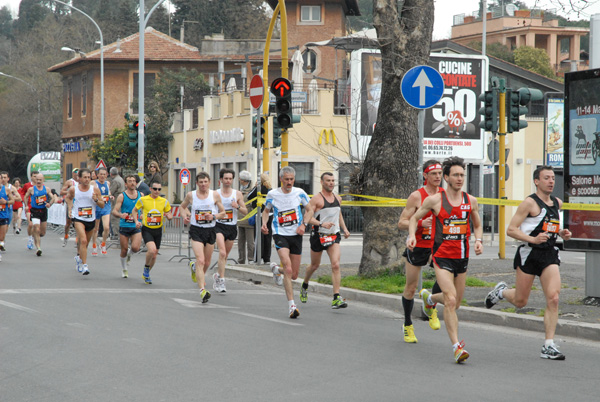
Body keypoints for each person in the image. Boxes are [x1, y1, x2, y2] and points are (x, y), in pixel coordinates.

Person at [485, 165, 571, 360]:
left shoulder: (557, 203)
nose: (551, 181)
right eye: (546, 178)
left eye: (552, 178)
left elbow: (550, 226)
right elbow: (511, 230)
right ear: (536, 181)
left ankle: (548, 345)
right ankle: (501, 292)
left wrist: (562, 233)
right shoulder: (529, 203)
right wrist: (533, 240)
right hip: (529, 253)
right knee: (520, 301)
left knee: (554, 298)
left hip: (549, 254)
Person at [407, 156, 483, 363]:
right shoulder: (435, 201)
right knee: (450, 299)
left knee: (456, 303)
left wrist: (479, 240)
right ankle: (457, 347)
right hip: (442, 257)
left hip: (462, 257)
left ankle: (430, 299)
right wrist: (412, 235)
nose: (460, 179)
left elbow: (477, 224)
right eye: (456, 175)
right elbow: (413, 218)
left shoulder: (471, 201)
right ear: (447, 178)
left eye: (462, 175)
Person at [397, 160, 444, 343]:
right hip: (418, 245)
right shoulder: (417, 196)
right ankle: (408, 325)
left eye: (440, 173)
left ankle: (429, 301)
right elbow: (401, 222)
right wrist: (418, 224)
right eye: (434, 174)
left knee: (446, 279)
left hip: (438, 245)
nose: (438, 177)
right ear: (425, 175)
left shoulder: (445, 195)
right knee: (410, 287)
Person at [261, 166, 314, 319]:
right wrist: (264, 224)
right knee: (288, 268)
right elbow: (266, 211)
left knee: (294, 275)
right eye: (286, 179)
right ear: (281, 179)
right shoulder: (272, 194)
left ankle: (277, 270)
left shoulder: (300, 193)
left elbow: (309, 210)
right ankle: (292, 306)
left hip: (296, 234)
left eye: (291, 179)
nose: (289, 182)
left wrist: (304, 224)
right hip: (280, 234)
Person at [299, 172, 351, 309]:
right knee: (314, 266)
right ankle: (305, 284)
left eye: (333, 180)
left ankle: (336, 298)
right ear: (322, 182)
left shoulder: (338, 198)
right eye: (328, 180)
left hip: (334, 235)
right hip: (319, 235)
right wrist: (321, 224)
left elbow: (337, 213)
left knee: (335, 265)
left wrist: (344, 228)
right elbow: (307, 218)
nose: (331, 183)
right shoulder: (316, 199)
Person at [180, 172, 225, 302]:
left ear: (209, 182)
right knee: (200, 260)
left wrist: (214, 216)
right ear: (197, 183)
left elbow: (223, 213)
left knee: (206, 262)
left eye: (205, 182)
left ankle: (195, 269)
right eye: (201, 182)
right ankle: (202, 291)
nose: (203, 184)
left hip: (210, 230)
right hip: (196, 230)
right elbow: (182, 207)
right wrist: (185, 216)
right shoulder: (191, 195)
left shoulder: (215, 195)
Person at [211, 168, 248, 292]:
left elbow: (245, 211)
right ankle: (221, 281)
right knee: (222, 253)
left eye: (230, 179)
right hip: (218, 225)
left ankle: (217, 275)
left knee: (225, 255)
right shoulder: (215, 193)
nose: (228, 181)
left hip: (231, 226)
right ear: (221, 180)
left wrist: (237, 206)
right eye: (225, 178)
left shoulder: (237, 194)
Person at [65, 168, 105, 275]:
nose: (87, 179)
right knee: (82, 240)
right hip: (78, 218)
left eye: (89, 177)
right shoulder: (74, 189)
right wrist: (70, 208)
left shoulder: (95, 189)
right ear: (79, 178)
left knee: (86, 243)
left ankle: (79, 256)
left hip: (91, 219)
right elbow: (68, 198)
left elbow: (102, 204)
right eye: (85, 177)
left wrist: (96, 200)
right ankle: (85, 265)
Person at [132, 181, 173, 284]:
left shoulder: (164, 201)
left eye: (159, 189)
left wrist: (169, 216)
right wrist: (137, 221)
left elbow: (169, 213)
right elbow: (134, 210)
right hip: (147, 229)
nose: (157, 191)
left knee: (154, 255)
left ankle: (147, 273)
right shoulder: (143, 200)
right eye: (155, 189)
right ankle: (146, 268)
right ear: (150, 189)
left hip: (158, 230)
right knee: (152, 250)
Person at [111, 174, 143, 278]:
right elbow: (114, 211)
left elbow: (146, 208)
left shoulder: (141, 195)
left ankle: (130, 254)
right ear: (126, 184)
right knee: (123, 249)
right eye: (130, 181)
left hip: (135, 226)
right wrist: (121, 215)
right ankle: (124, 269)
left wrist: (143, 215)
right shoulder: (122, 196)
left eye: (134, 181)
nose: (132, 183)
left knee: (136, 248)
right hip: (124, 226)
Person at [23, 173, 54, 256]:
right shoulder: (31, 189)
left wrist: (49, 203)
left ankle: (35, 235)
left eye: (40, 180)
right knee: (36, 228)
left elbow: (53, 197)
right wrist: (26, 206)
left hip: (43, 211)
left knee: (42, 233)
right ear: (34, 180)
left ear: (43, 180)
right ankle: (38, 248)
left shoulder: (46, 189)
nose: (39, 181)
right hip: (34, 211)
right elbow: (25, 197)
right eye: (37, 180)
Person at [236, 170, 256, 264]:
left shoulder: (251, 191)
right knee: (240, 242)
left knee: (250, 242)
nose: (239, 180)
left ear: (244, 180)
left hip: (249, 219)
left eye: (240, 179)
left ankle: (251, 259)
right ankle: (241, 259)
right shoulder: (240, 190)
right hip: (240, 219)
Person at [91, 167, 112, 256]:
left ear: (106, 175)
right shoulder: (93, 183)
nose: (102, 176)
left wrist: (110, 196)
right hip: (96, 207)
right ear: (97, 175)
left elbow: (109, 192)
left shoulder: (108, 183)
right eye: (101, 174)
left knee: (106, 227)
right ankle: (94, 245)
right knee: (95, 228)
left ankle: (103, 243)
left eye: (104, 174)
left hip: (106, 206)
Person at [60, 168, 79, 247]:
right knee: (68, 222)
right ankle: (66, 235)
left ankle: (77, 240)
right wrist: (70, 191)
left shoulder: (82, 182)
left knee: (78, 222)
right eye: (75, 173)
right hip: (70, 203)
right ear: (72, 174)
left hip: (78, 204)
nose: (77, 174)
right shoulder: (69, 182)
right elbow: (61, 192)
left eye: (78, 173)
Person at [260, 173, 273, 264]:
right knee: (268, 236)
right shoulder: (271, 189)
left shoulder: (259, 189)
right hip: (271, 214)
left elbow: (250, 196)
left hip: (261, 214)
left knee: (259, 237)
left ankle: (258, 256)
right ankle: (267, 258)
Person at [0, 178, 15, 258]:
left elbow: (13, 200)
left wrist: (6, 202)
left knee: (2, 237)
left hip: (3, 215)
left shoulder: (6, 190)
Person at [109, 167, 125, 239]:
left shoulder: (115, 181)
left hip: (116, 199)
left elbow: (111, 191)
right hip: (121, 198)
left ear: (111, 173)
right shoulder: (121, 179)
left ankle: (116, 234)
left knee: (114, 217)